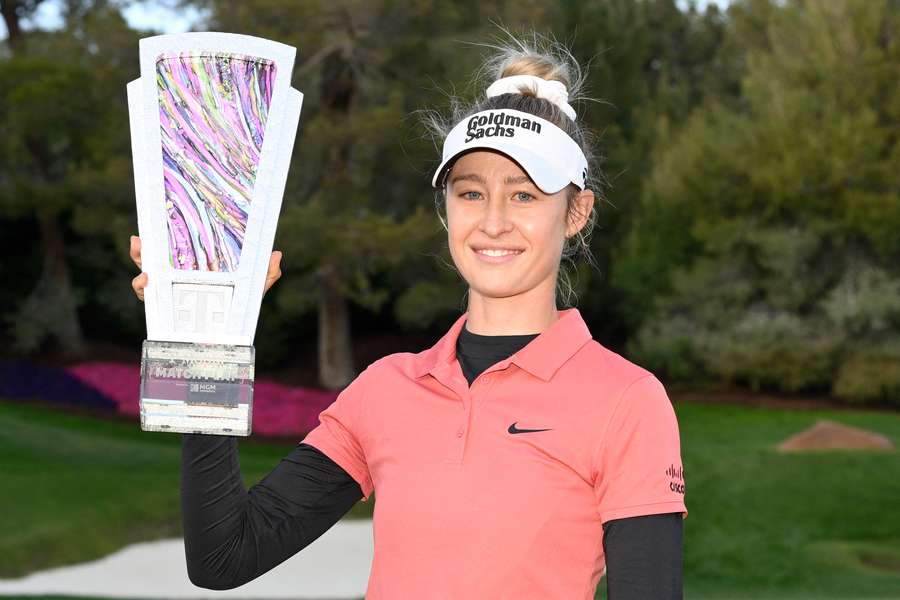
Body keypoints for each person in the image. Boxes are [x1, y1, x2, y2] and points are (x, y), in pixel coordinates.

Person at [130, 33, 687, 600]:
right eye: (470, 193)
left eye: (523, 196)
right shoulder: (386, 389)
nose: (493, 222)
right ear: (445, 209)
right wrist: (204, 338)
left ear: (576, 213)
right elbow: (224, 557)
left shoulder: (626, 401)